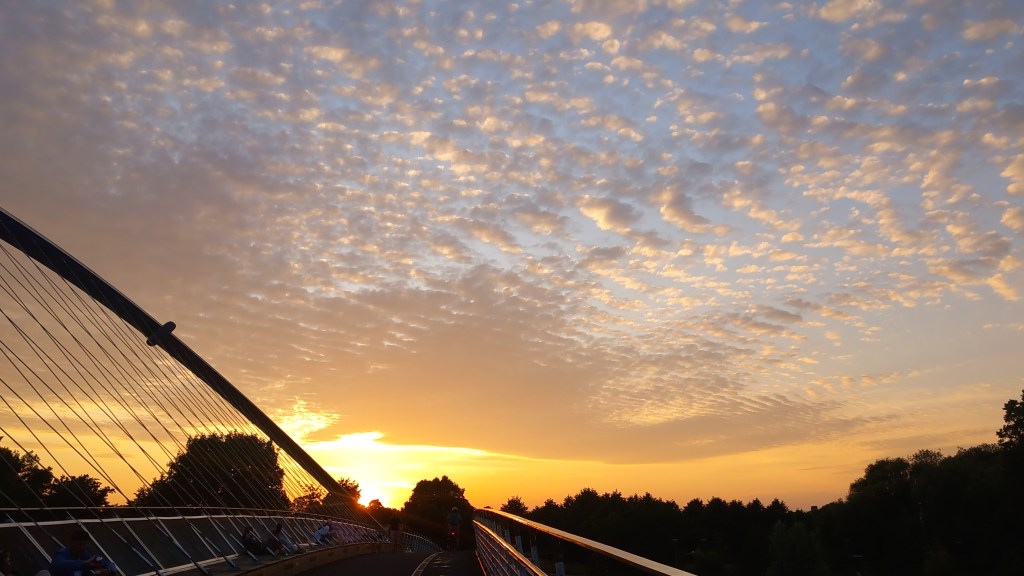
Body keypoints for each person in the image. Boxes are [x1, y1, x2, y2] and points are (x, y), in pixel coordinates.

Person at [48, 530, 117, 576]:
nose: (82, 547)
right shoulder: (62, 554)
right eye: (79, 544)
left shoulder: (86, 555)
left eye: (84, 544)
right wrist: (84, 563)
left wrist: (108, 570)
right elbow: (57, 564)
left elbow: (108, 563)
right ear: (71, 543)